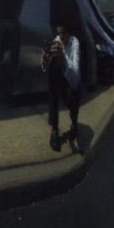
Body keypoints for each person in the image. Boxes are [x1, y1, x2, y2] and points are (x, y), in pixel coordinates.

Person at [41, 24, 81, 152]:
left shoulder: (75, 43)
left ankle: (74, 123)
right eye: (58, 33)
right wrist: (45, 61)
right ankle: (54, 128)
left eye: (63, 33)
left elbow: (75, 78)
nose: (60, 37)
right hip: (59, 77)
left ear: (69, 33)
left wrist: (62, 57)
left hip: (71, 78)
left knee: (72, 103)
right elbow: (44, 69)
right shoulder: (56, 41)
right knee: (53, 93)